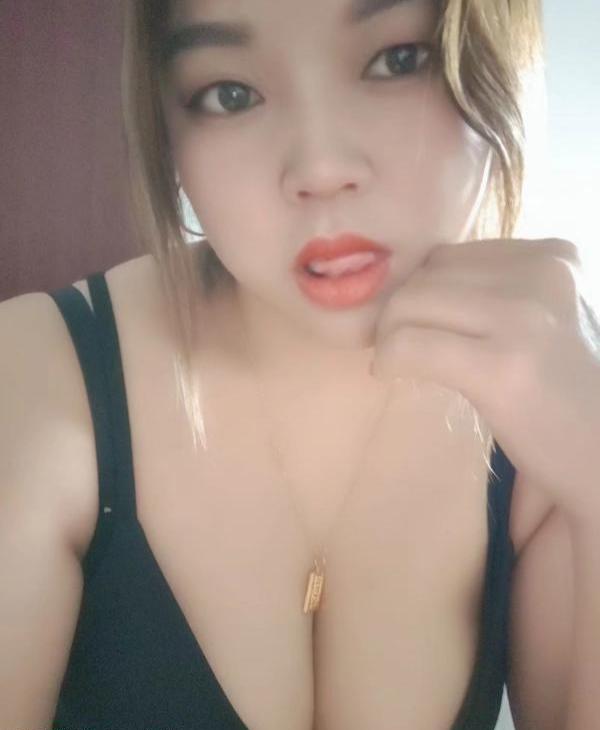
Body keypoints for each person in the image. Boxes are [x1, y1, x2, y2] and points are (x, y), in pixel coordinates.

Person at [3, 0, 591, 729]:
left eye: (398, 60)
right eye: (230, 94)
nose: (320, 169)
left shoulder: (551, 388)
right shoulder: (36, 378)